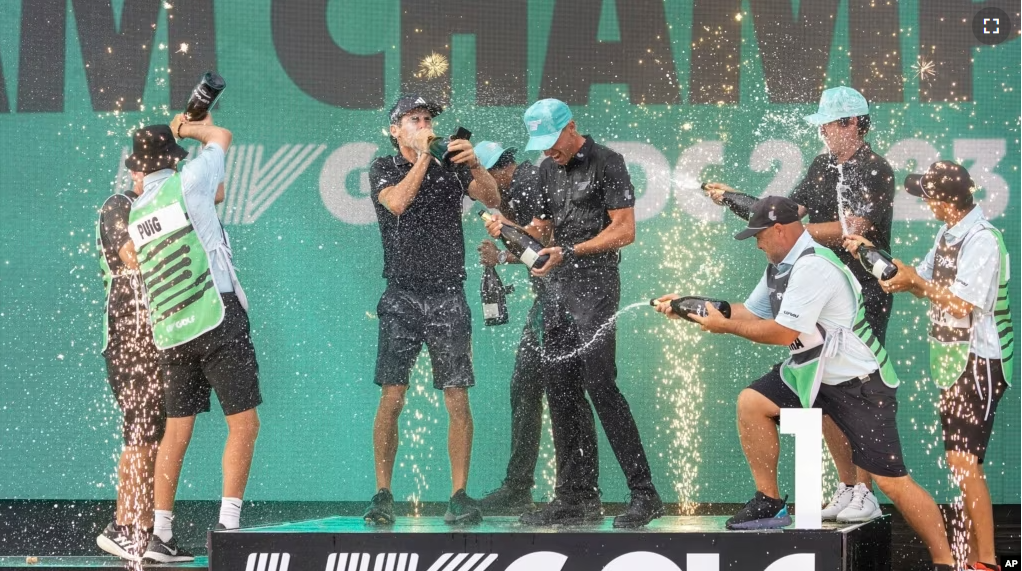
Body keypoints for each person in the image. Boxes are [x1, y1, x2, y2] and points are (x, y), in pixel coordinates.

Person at [653, 196, 954, 570]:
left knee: (893, 483)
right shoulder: (779, 264)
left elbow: (781, 333)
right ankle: (769, 501)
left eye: (759, 236)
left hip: (859, 381)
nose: (757, 243)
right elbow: (750, 311)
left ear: (779, 230)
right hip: (811, 371)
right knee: (752, 402)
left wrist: (724, 326)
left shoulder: (813, 268)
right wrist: (691, 307)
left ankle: (947, 561)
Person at [703, 86, 895, 521]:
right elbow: (790, 212)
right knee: (822, 391)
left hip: (862, 296)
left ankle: (866, 493)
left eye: (829, 125)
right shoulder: (823, 164)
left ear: (851, 123)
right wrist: (740, 200)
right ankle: (848, 487)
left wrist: (798, 231)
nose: (824, 133)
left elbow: (854, 226)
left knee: (857, 393)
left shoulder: (876, 169)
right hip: (815, 290)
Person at [485, 99, 663, 528]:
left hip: (596, 287)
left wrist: (570, 251)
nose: (548, 152)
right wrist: (508, 230)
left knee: (601, 387)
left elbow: (625, 230)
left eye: (552, 142)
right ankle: (576, 498)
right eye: (541, 145)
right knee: (560, 390)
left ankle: (645, 494)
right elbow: (543, 230)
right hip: (556, 291)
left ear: (572, 128)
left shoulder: (608, 162)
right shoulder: (547, 170)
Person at [846, 162, 1012, 571]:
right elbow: (920, 278)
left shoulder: (984, 240)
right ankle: (974, 557)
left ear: (944, 201)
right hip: (954, 361)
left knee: (963, 462)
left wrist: (915, 284)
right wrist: (876, 257)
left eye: (927, 195)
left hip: (980, 361)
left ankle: (987, 562)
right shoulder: (948, 232)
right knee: (961, 461)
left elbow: (962, 304)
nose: (925, 201)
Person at [124, 119, 262, 563]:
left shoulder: (138, 210)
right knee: (243, 424)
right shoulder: (191, 180)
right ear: (174, 157)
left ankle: (159, 534)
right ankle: (229, 527)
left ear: (140, 169)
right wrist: (190, 125)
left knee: (176, 433)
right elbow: (223, 136)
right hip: (216, 316)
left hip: (172, 333)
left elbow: (210, 196)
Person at [363, 95, 500, 526]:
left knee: (457, 396)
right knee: (393, 396)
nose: (424, 125)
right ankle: (383, 493)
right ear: (394, 130)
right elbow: (397, 203)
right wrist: (425, 157)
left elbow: (492, 197)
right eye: (414, 120)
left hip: (448, 294)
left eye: (428, 119)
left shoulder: (452, 167)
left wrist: (473, 164)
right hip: (401, 295)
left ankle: (458, 494)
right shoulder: (384, 168)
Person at [473, 142, 593, 515]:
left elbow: (548, 244)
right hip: (555, 300)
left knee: (565, 394)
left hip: (565, 301)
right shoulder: (520, 184)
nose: (475, 192)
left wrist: (507, 232)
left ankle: (577, 494)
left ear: (497, 171)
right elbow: (536, 250)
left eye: (478, 182)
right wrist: (505, 255)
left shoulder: (525, 184)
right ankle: (526, 487)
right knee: (529, 386)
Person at [94, 170, 167, 561]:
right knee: (140, 435)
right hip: (127, 340)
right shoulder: (118, 205)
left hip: (156, 341)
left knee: (153, 436)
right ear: (138, 173)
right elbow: (132, 257)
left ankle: (143, 530)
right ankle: (123, 525)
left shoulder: (160, 208)